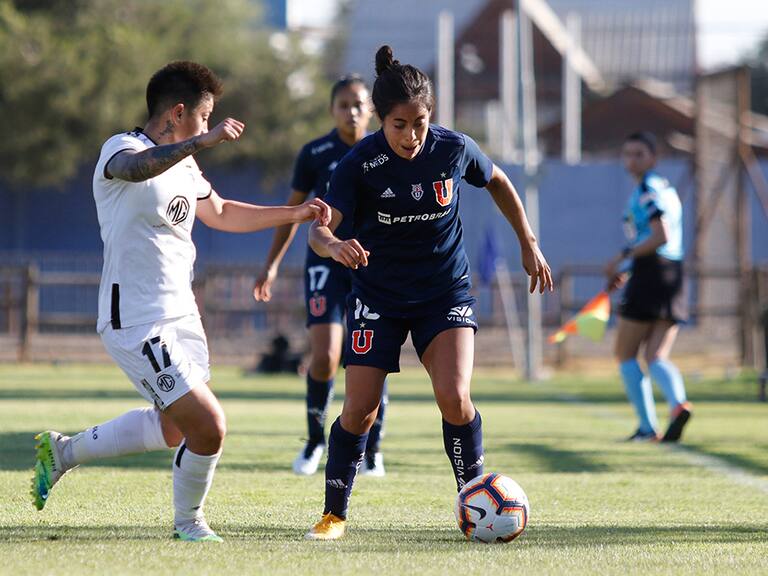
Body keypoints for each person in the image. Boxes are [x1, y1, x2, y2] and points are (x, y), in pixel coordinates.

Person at [31, 61, 331, 542]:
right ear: (176, 113)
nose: (208, 127)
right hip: (135, 318)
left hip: (182, 316)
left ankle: (62, 452)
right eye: (204, 117)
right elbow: (134, 170)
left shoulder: (187, 165)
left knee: (175, 430)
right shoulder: (122, 148)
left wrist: (294, 212)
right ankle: (189, 524)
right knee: (210, 426)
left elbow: (223, 212)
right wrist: (198, 143)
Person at [304, 45, 553, 540]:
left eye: (420, 122)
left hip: (445, 291)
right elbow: (318, 231)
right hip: (378, 295)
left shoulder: (452, 148)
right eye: (400, 124)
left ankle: (473, 503)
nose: (412, 135)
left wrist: (528, 243)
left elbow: (498, 180)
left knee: (455, 398)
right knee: (361, 410)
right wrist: (334, 246)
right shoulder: (359, 164)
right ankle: (334, 515)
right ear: (381, 119)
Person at [253, 75, 389, 477]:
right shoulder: (315, 153)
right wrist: (272, 263)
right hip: (324, 265)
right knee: (327, 356)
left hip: (369, 263)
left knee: (370, 357)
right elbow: (292, 213)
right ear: (332, 109)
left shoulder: (385, 149)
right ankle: (315, 442)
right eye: (344, 104)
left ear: (371, 110)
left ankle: (372, 449)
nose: (352, 111)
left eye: (359, 104)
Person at [604, 131, 693, 443]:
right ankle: (678, 403)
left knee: (625, 352)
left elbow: (660, 235)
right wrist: (631, 270)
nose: (632, 159)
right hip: (673, 275)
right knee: (656, 355)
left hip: (652, 273)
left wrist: (623, 257)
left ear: (654, 158)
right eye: (627, 153)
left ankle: (646, 427)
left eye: (639, 153)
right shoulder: (666, 189)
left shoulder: (647, 189)